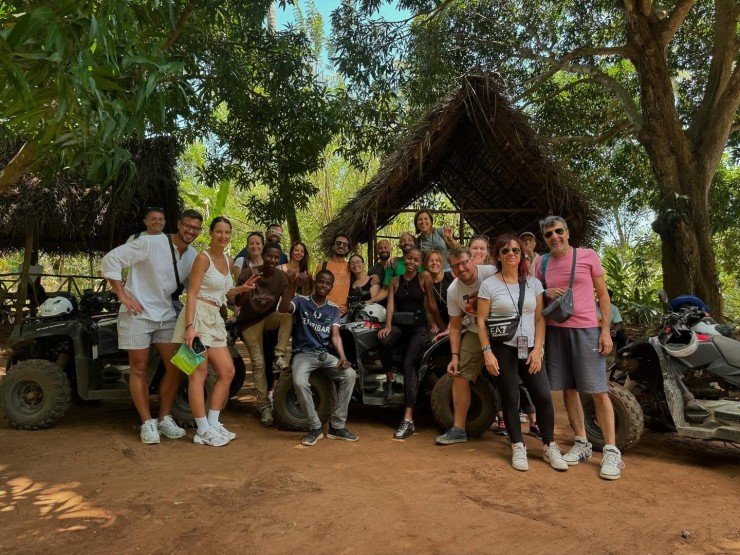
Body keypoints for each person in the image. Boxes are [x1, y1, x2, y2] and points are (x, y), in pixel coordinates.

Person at [101, 209, 202, 444]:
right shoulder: (151, 242)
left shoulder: (192, 255)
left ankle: (164, 417)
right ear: (179, 224)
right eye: (187, 226)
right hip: (137, 313)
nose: (191, 231)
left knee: (179, 364)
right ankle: (147, 422)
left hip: (165, 314)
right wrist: (123, 296)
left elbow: (194, 287)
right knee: (139, 367)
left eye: (196, 228)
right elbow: (111, 259)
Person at [536, 215, 622, 480]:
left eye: (558, 231)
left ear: (567, 232)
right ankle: (582, 442)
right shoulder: (542, 263)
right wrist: (546, 292)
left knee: (597, 389)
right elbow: (535, 293)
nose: (554, 237)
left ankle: (611, 450)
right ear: (544, 239)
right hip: (556, 331)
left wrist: (605, 331)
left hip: (586, 329)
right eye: (549, 234)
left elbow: (603, 295)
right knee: (569, 388)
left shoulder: (587, 256)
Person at [476, 234, 567, 472]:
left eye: (515, 250)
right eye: (505, 251)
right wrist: (487, 352)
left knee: (543, 396)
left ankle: (549, 445)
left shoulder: (533, 283)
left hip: (530, 349)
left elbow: (539, 319)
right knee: (510, 398)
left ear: (521, 254)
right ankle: (517, 444)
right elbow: (481, 320)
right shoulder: (489, 285)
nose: (511, 254)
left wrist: (538, 349)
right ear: (498, 256)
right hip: (502, 348)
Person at [171, 217, 242, 446]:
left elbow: (224, 292)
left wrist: (243, 288)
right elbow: (192, 293)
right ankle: (202, 430)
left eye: (227, 232)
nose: (223, 236)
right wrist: (189, 327)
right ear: (211, 233)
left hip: (214, 320)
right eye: (219, 231)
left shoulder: (228, 261)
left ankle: (213, 423)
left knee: (227, 371)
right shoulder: (203, 258)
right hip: (197, 318)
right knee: (198, 373)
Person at [278, 269, 359, 446]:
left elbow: (335, 336)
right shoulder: (301, 301)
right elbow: (283, 308)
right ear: (315, 282)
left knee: (350, 375)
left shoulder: (333, 308)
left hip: (324, 355)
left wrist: (342, 357)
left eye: (328, 283)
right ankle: (315, 427)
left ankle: (337, 426)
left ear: (331, 287)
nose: (323, 285)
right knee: (300, 382)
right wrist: (292, 284)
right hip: (303, 354)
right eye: (321, 281)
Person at [378, 247, 444, 439]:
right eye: (409, 258)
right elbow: (390, 305)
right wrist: (387, 326)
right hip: (400, 325)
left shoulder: (424, 278)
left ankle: (408, 419)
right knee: (383, 339)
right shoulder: (395, 280)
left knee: (409, 364)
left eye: (416, 260)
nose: (411, 262)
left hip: (418, 328)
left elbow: (431, 304)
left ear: (420, 263)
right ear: (403, 259)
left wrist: (442, 327)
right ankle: (390, 379)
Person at [435, 245, 496, 445]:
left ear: (472, 259)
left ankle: (531, 423)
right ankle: (459, 429)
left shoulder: (491, 272)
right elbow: (454, 326)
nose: (460, 269)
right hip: (475, 331)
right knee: (459, 374)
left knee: (514, 372)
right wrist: (454, 357)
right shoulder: (453, 290)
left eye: (463, 263)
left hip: (502, 329)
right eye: (455, 266)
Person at [235, 242, 293, 426]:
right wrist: (247, 288)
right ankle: (264, 406)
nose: (273, 260)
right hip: (248, 323)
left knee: (287, 317)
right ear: (263, 255)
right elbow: (237, 303)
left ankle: (279, 355)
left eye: (276, 257)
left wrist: (292, 285)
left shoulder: (281, 277)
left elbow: (284, 309)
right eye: (269, 256)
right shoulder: (248, 273)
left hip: (268, 318)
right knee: (259, 363)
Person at [314, 234, 352, 317]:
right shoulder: (322, 266)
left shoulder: (351, 267)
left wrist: (374, 277)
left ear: (348, 249)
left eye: (345, 244)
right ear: (333, 247)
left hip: (342, 314)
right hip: (322, 311)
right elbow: (315, 288)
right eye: (338, 243)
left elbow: (361, 279)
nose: (341, 246)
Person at [422, 249, 453, 326]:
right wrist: (434, 325)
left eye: (437, 260)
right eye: (430, 261)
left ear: (442, 263)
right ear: (426, 264)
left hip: (456, 319)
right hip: (438, 322)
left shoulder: (451, 276)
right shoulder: (424, 282)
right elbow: (428, 310)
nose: (434, 263)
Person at [18, 251, 46, 316]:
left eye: (36, 258)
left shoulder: (40, 267)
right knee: (32, 294)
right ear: (29, 258)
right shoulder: (22, 266)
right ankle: (32, 312)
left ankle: (43, 308)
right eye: (32, 258)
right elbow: (24, 280)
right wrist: (33, 289)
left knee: (41, 292)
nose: (34, 259)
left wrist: (35, 289)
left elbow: (38, 280)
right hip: (24, 285)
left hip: (36, 285)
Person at [366, 239, 392, 306]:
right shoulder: (372, 270)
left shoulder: (396, 265)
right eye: (380, 248)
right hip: (379, 305)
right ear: (377, 251)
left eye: (386, 247)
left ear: (390, 249)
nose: (383, 250)